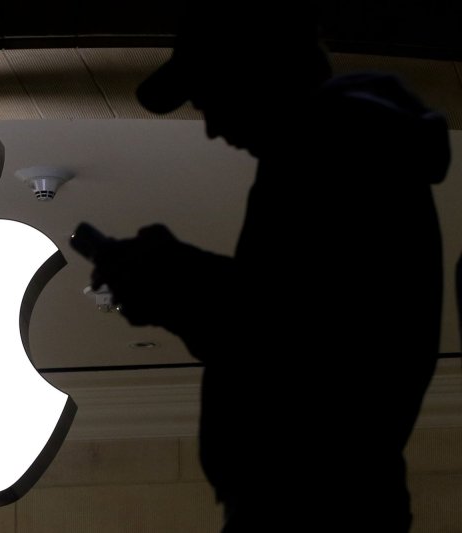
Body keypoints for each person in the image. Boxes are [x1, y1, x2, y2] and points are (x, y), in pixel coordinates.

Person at [74, 2, 450, 531]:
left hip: (312, 501)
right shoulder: (354, 144)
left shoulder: (333, 148)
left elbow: (292, 346)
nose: (210, 130)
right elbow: (296, 320)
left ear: (253, 70)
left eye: (207, 96)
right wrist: (178, 277)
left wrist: (172, 278)